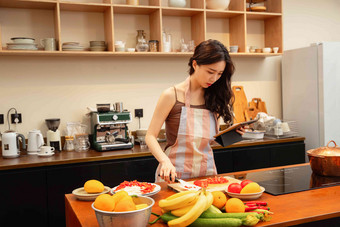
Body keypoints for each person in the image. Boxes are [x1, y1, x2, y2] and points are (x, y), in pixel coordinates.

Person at [145, 39, 244, 183]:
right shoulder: (171, 95)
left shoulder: (215, 97)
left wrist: (232, 135)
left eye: (219, 74)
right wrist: (164, 161)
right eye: (210, 72)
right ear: (195, 64)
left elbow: (206, 142)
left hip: (206, 174)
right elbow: (150, 136)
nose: (214, 78)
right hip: (173, 175)